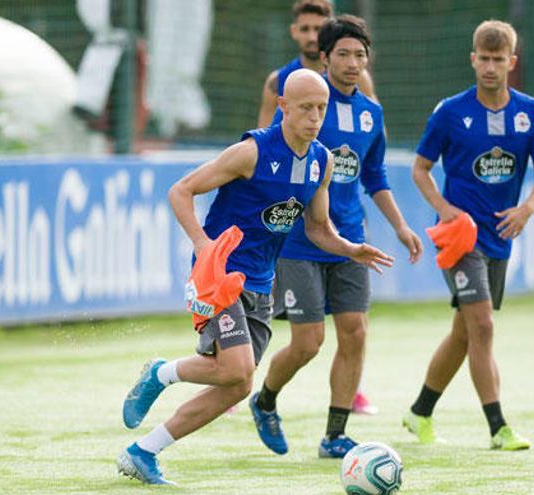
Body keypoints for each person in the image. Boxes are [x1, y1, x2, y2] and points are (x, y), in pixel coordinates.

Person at [116, 68, 394, 485]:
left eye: (321, 108)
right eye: (305, 108)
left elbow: (318, 229)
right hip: (221, 273)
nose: (315, 117)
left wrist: (350, 248)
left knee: (238, 384)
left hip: (261, 283)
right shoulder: (252, 151)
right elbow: (181, 190)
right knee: (237, 367)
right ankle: (161, 372)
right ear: (282, 107)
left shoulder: (322, 160)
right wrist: (201, 242)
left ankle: (143, 452)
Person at [249, 15, 423, 459]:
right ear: (324, 58)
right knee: (308, 342)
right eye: (342, 54)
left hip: (350, 239)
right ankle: (265, 399)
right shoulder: (306, 105)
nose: (351, 62)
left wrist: (401, 226)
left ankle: (335, 436)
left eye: (359, 55)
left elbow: (375, 174)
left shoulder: (371, 113)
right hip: (300, 242)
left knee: (356, 331)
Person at [403, 19, 534, 451]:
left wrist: (526, 209)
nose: (490, 67)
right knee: (483, 325)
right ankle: (498, 427)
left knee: (465, 333)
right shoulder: (450, 112)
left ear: (512, 61)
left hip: (499, 237)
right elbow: (420, 169)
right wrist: (446, 211)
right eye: (483, 59)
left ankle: (419, 412)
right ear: (473, 59)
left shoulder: (531, 114)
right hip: (459, 240)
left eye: (498, 59)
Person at [256, 0, 376, 129]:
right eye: (305, 29)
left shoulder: (357, 77)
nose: (312, 37)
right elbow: (264, 136)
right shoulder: (277, 81)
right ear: (293, 31)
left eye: (318, 29)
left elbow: (374, 125)